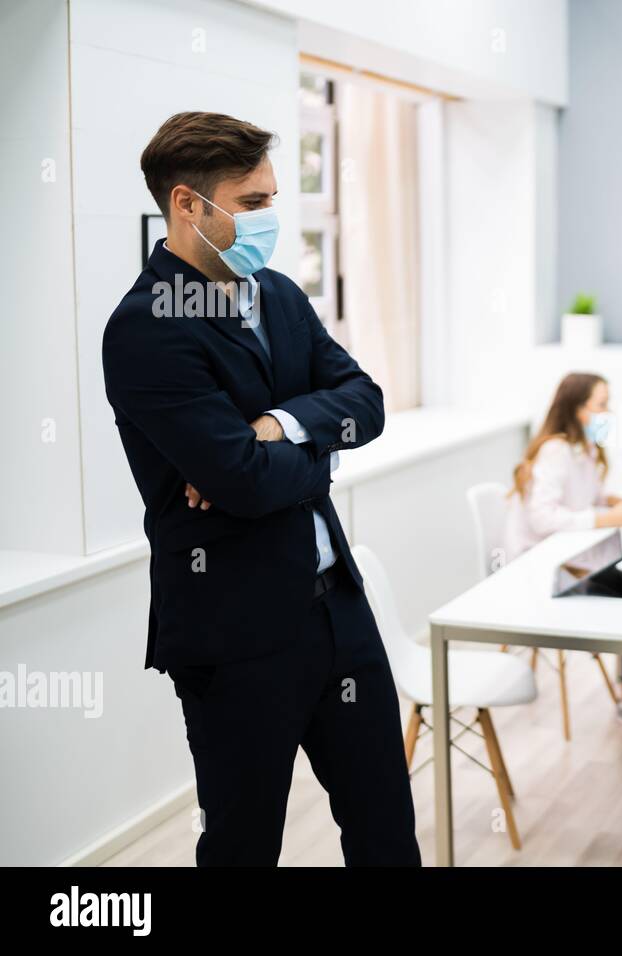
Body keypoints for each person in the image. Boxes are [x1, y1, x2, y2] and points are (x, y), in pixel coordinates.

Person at [101, 112, 419, 866]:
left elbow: (366, 401)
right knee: (243, 847)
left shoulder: (277, 294)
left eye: (272, 198)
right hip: (236, 635)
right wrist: (310, 452)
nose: (268, 219)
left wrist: (278, 425)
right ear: (186, 204)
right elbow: (242, 486)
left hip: (338, 610)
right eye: (251, 204)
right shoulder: (146, 327)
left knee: (385, 830)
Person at [504, 372, 622, 734]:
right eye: (601, 405)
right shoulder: (555, 451)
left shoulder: (582, 449)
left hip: (567, 559)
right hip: (538, 569)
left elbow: (583, 499)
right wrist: (608, 516)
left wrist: (617, 500)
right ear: (577, 409)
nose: (608, 412)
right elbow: (544, 517)